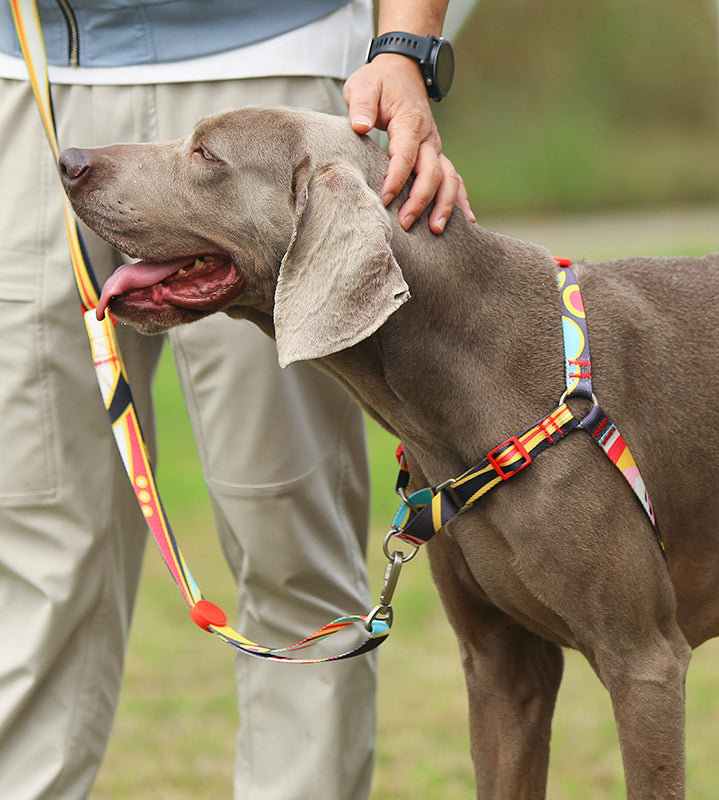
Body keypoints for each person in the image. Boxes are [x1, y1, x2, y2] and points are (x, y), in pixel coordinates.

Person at [0, 1, 472, 798]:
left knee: (292, 547)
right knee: (37, 552)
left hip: (266, 79)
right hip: (28, 81)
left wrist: (405, 49)